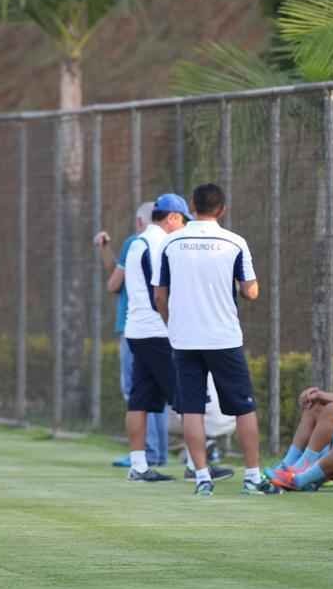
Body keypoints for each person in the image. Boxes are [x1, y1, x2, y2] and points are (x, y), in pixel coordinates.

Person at [153, 182, 279, 497]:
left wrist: (173, 326)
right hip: (223, 337)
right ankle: (252, 477)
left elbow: (159, 295)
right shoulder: (235, 242)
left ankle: (202, 479)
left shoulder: (171, 243)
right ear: (222, 209)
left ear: (192, 207)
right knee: (243, 408)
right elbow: (250, 291)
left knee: (192, 410)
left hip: (185, 340)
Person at [119, 194, 191, 482]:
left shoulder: (138, 241)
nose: (185, 227)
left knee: (139, 399)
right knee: (187, 398)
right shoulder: (161, 244)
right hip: (158, 332)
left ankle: (138, 467)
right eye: (183, 221)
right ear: (172, 217)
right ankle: (198, 467)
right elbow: (160, 294)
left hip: (136, 331)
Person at [95, 202, 167, 469]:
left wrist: (106, 251)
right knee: (160, 391)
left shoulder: (135, 243)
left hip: (135, 326)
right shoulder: (169, 243)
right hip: (163, 326)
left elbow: (114, 283)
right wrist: (105, 251)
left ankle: (147, 452)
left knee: (136, 391)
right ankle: (157, 452)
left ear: (140, 222)